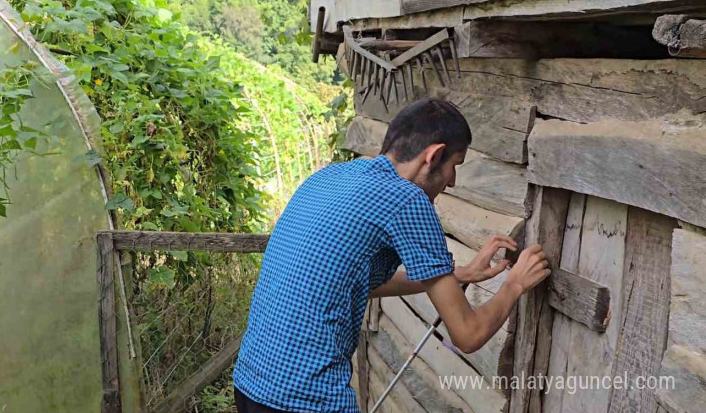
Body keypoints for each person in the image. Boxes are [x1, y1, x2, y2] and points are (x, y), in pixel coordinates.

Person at [232, 98, 550, 413]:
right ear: (434, 155)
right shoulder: (408, 201)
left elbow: (356, 284)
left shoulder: (330, 177)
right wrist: (515, 285)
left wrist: (460, 275)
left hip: (251, 384)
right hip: (306, 400)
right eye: (455, 165)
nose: (452, 180)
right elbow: (467, 335)